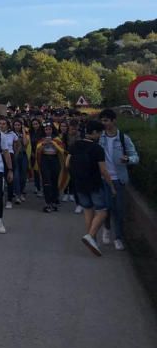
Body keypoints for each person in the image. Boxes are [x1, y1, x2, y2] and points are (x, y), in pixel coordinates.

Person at [68, 119, 117, 256]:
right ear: (94, 132)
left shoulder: (75, 145)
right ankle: (90, 236)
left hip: (79, 183)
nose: (100, 136)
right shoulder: (97, 149)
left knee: (88, 210)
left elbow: (67, 163)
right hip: (94, 183)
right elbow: (103, 170)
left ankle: (92, 239)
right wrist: (111, 186)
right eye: (100, 133)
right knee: (102, 211)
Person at [98, 108, 140, 251]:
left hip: (119, 179)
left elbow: (135, 157)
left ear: (113, 121)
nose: (104, 123)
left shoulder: (123, 138)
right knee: (107, 207)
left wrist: (128, 159)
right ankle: (107, 228)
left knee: (119, 210)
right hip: (104, 178)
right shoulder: (99, 137)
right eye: (102, 121)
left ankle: (118, 237)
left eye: (106, 120)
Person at [35, 122, 66, 213]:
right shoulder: (41, 139)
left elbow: (61, 150)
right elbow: (38, 150)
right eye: (46, 129)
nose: (48, 131)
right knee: (46, 181)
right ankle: (48, 202)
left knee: (55, 180)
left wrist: (53, 144)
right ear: (43, 131)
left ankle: (54, 200)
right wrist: (44, 144)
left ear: (52, 130)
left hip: (55, 160)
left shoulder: (56, 139)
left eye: (49, 129)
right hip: (45, 160)